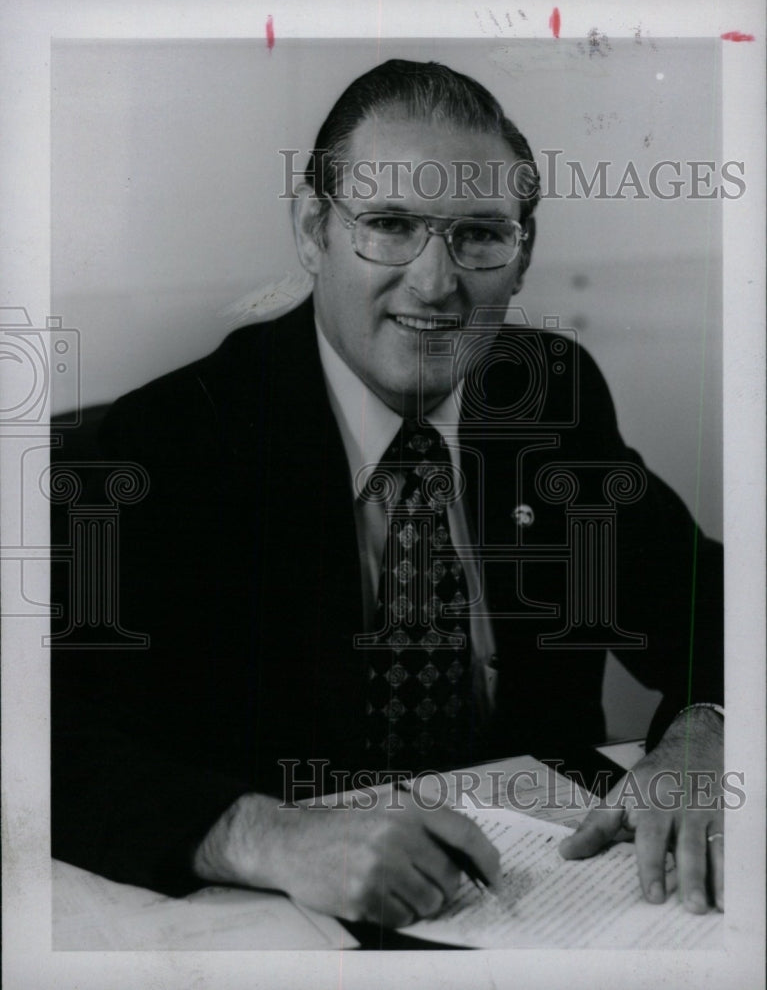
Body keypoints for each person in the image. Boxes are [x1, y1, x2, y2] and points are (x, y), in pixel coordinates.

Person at [52, 59, 724, 932]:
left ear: (522, 257)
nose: (435, 283)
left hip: (557, 906)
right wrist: (266, 836)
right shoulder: (167, 440)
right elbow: (41, 734)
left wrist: (706, 732)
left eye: (479, 234)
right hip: (281, 928)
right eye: (389, 225)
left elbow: (714, 609)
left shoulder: (546, 395)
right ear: (311, 232)